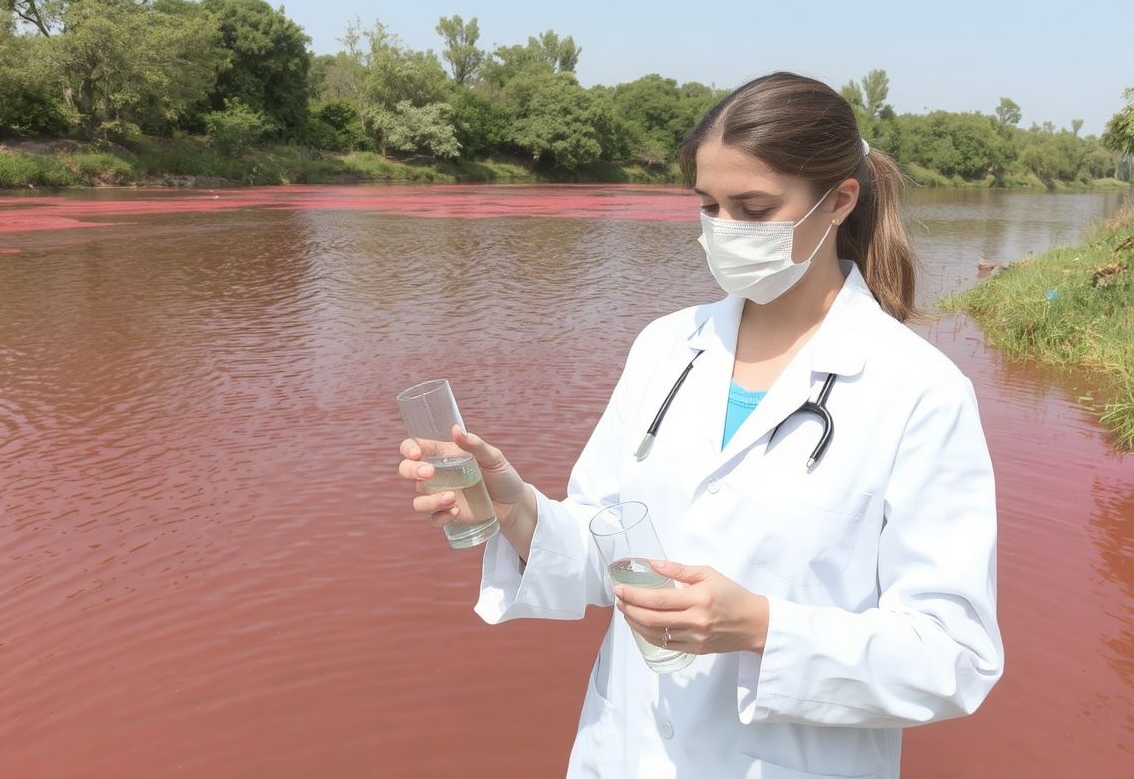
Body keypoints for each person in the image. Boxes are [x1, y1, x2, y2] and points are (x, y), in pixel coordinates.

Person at [397, 71, 1004, 778]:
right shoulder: (665, 348)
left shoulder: (919, 391)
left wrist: (762, 628)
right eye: (710, 206)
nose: (725, 231)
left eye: (754, 207)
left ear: (839, 201)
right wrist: (517, 510)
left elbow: (953, 654)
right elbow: (609, 549)